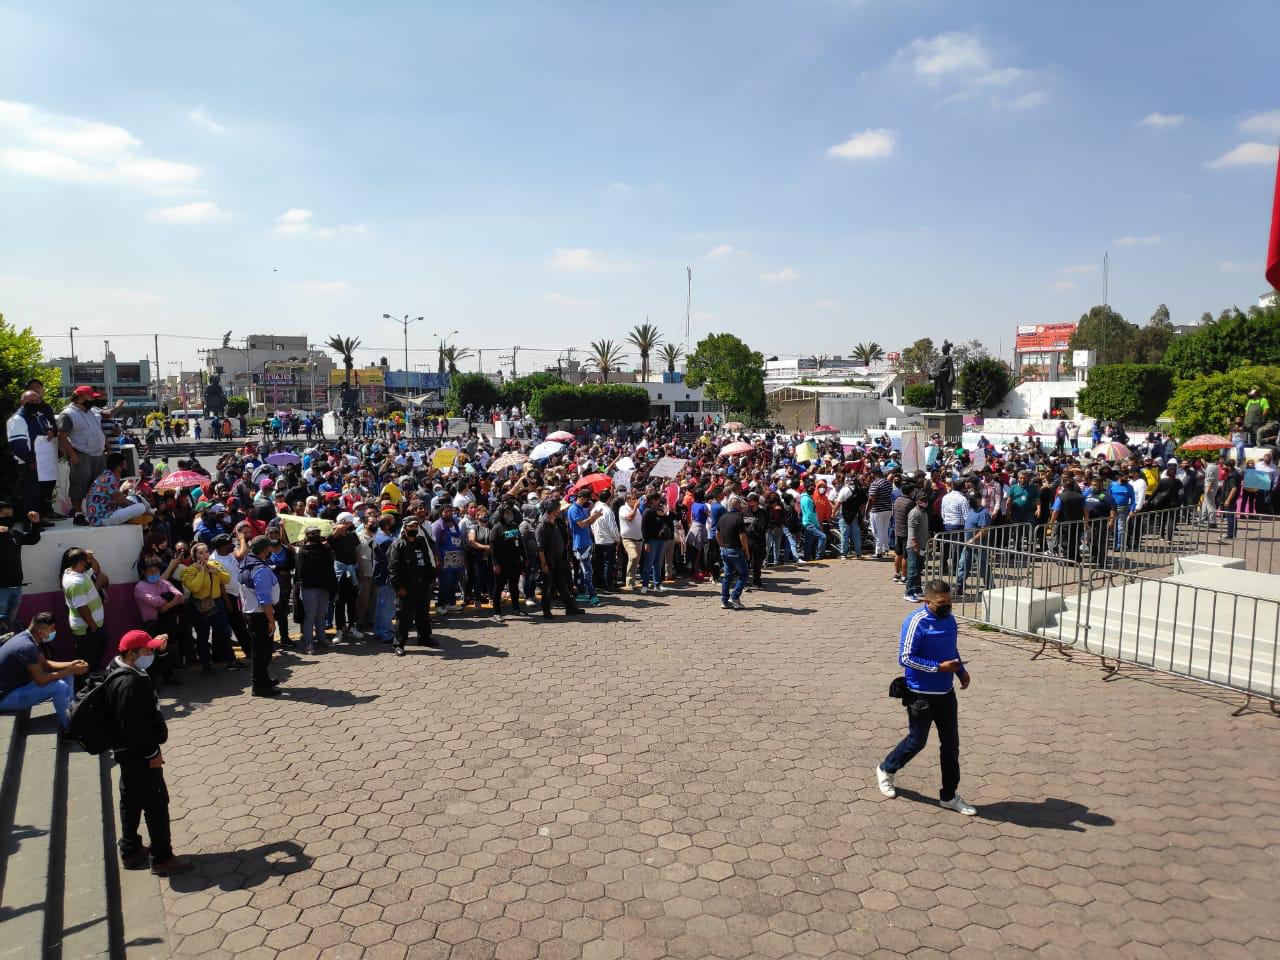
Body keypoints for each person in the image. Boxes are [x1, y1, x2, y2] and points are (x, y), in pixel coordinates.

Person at [876, 580, 976, 816]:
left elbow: (952, 650)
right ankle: (886, 769)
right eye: (942, 603)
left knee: (951, 746)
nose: (947, 607)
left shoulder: (950, 620)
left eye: (950, 602)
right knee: (916, 741)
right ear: (927, 601)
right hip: (921, 695)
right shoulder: (916, 622)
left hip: (946, 694)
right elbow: (906, 658)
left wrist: (960, 671)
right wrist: (940, 668)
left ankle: (949, 796)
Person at [104, 629, 194, 876]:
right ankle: (162, 857)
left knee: (130, 800)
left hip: (125, 754)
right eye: (147, 650)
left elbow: (157, 668)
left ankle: (130, 849)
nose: (151, 653)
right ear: (133, 653)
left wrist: (161, 648)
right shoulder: (130, 683)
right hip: (139, 754)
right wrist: (152, 753)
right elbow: (134, 726)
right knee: (156, 803)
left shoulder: (117, 667)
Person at [0, 612, 87, 727]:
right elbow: (40, 679)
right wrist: (70, 670)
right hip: (6, 697)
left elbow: (45, 664)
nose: (53, 632)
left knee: (67, 675)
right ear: (41, 631)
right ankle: (69, 728)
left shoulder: (31, 638)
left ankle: (71, 712)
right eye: (51, 629)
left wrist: (71, 665)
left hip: (19, 686)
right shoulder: (26, 646)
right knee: (59, 687)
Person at [58, 386, 109, 525]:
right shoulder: (68, 413)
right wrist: (72, 455)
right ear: (80, 397)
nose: (93, 399)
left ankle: (98, 511)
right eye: (91, 396)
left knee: (99, 485)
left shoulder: (90, 411)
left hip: (97, 453)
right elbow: (62, 436)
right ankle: (78, 514)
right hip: (81, 453)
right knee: (79, 485)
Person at [238, 535, 281, 696]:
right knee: (262, 651)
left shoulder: (246, 563)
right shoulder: (260, 570)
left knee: (262, 649)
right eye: (269, 548)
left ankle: (263, 679)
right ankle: (259, 686)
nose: (271, 550)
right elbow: (265, 599)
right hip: (260, 615)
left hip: (251, 614)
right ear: (264, 550)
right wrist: (271, 620)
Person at [389, 516, 436, 655]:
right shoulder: (398, 545)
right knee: (403, 617)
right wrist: (399, 588)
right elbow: (393, 570)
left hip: (422, 585)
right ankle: (399, 644)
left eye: (416, 526)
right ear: (405, 528)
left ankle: (425, 638)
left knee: (423, 614)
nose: (414, 529)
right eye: (411, 527)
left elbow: (428, 561)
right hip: (406, 588)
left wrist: (431, 578)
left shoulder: (421, 542)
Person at [62, 548, 108, 682]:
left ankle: (91, 679)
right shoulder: (75, 582)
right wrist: (92, 625)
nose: (88, 563)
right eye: (86, 560)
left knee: (100, 645)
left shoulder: (77, 573)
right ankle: (82, 688)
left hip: (93, 625)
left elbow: (96, 569)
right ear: (81, 562)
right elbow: (81, 607)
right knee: (85, 660)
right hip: (86, 627)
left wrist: (91, 558)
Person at [536, 498, 584, 616]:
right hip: (548, 562)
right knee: (547, 588)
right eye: (557, 509)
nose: (559, 511)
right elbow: (540, 548)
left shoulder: (555, 523)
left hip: (558, 560)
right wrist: (544, 564)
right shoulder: (542, 525)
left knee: (562, 586)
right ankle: (546, 611)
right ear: (551, 510)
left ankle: (570, 608)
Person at [296, 525, 338, 653]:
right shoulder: (302, 551)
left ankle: (322, 638)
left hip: (324, 587)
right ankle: (309, 643)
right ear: (307, 535)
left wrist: (333, 587)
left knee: (321, 615)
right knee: (310, 616)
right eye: (312, 533)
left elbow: (330, 567)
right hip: (309, 588)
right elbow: (300, 572)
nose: (315, 535)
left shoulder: (325, 549)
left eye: (317, 532)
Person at [0, 502, 41, 630]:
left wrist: (35, 523)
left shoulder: (14, 533)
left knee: (9, 625)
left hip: (16, 587)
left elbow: (33, 539)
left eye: (10, 515)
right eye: (5, 515)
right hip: (1, 589)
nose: (9, 518)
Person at [83, 451, 153, 526]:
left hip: (100, 515)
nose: (126, 468)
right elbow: (122, 502)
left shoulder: (106, 476)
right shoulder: (110, 479)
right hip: (102, 518)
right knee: (141, 507)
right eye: (125, 465)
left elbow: (120, 501)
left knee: (133, 499)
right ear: (118, 467)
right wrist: (145, 511)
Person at [716, 495, 750, 610]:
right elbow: (742, 537)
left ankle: (724, 601)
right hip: (735, 550)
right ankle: (734, 596)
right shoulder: (738, 518)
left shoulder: (722, 517)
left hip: (724, 550)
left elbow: (717, 534)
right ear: (738, 506)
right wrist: (746, 550)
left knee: (727, 576)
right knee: (744, 573)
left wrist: (721, 545)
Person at [903, 493, 931, 602]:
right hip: (914, 546)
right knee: (913, 570)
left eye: (926, 500)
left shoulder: (924, 513)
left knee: (919, 569)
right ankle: (908, 592)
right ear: (917, 501)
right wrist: (915, 544)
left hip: (923, 545)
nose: (925, 502)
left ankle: (916, 589)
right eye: (922, 500)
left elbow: (926, 528)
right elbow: (912, 530)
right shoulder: (914, 513)